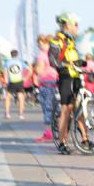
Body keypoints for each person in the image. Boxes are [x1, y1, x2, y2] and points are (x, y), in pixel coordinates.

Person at [49, 12, 89, 150]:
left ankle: (85, 139)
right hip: (65, 77)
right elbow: (53, 61)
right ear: (68, 25)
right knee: (66, 109)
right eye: (76, 24)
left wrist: (80, 62)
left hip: (76, 77)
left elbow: (73, 58)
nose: (78, 27)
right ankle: (62, 142)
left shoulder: (71, 41)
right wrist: (68, 64)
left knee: (79, 108)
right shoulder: (56, 40)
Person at [34, 34, 58, 142]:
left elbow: (39, 70)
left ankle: (48, 132)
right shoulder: (55, 52)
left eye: (41, 44)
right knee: (57, 109)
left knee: (47, 109)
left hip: (46, 83)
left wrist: (37, 70)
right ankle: (60, 131)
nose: (40, 46)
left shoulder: (41, 55)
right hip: (56, 82)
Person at [2, 49, 27, 119]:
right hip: (19, 81)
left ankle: (7, 113)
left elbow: (5, 72)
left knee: (8, 98)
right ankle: (21, 114)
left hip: (11, 81)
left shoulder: (7, 62)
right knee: (21, 97)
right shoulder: (21, 62)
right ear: (17, 54)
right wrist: (26, 78)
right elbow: (29, 69)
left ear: (11, 55)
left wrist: (6, 79)